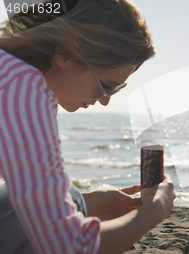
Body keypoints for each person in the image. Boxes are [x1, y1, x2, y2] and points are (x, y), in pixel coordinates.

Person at [0, 0, 175, 253]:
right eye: (106, 85)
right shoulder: (22, 87)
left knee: (73, 198)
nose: (104, 100)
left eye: (116, 90)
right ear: (65, 55)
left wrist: (86, 203)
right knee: (70, 198)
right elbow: (71, 247)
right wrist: (154, 211)